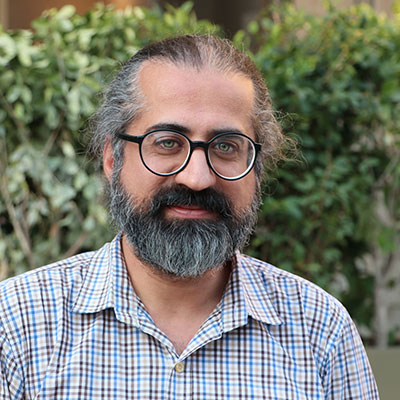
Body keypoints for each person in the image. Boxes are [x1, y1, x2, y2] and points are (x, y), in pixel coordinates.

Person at [0, 35, 378, 399]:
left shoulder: (319, 331)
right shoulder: (17, 326)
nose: (197, 178)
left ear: (257, 168)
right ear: (113, 158)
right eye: (167, 143)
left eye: (226, 146)